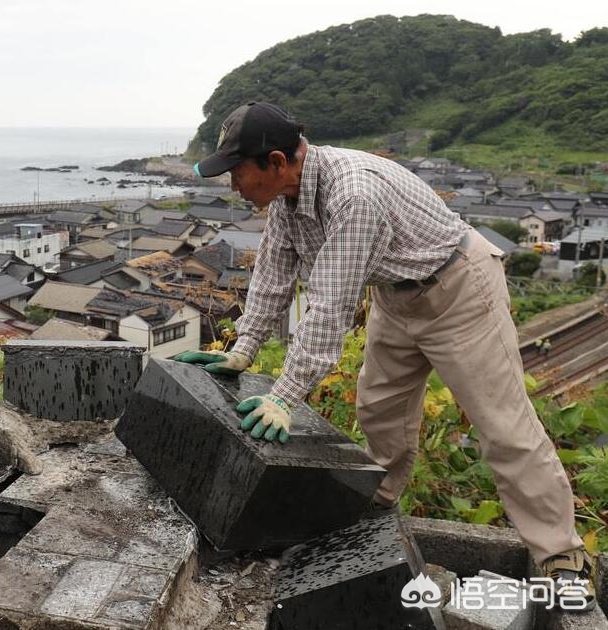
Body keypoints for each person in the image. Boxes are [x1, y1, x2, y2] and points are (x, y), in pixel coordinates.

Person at [180, 101, 596, 611]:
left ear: (275, 162)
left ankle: (561, 554)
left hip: (457, 290)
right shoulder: (288, 200)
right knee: (379, 408)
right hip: (397, 295)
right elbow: (272, 276)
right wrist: (243, 351)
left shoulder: (353, 195)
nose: (234, 185)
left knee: (503, 428)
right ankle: (379, 503)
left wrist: (284, 398)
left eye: (237, 171)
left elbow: (329, 308)